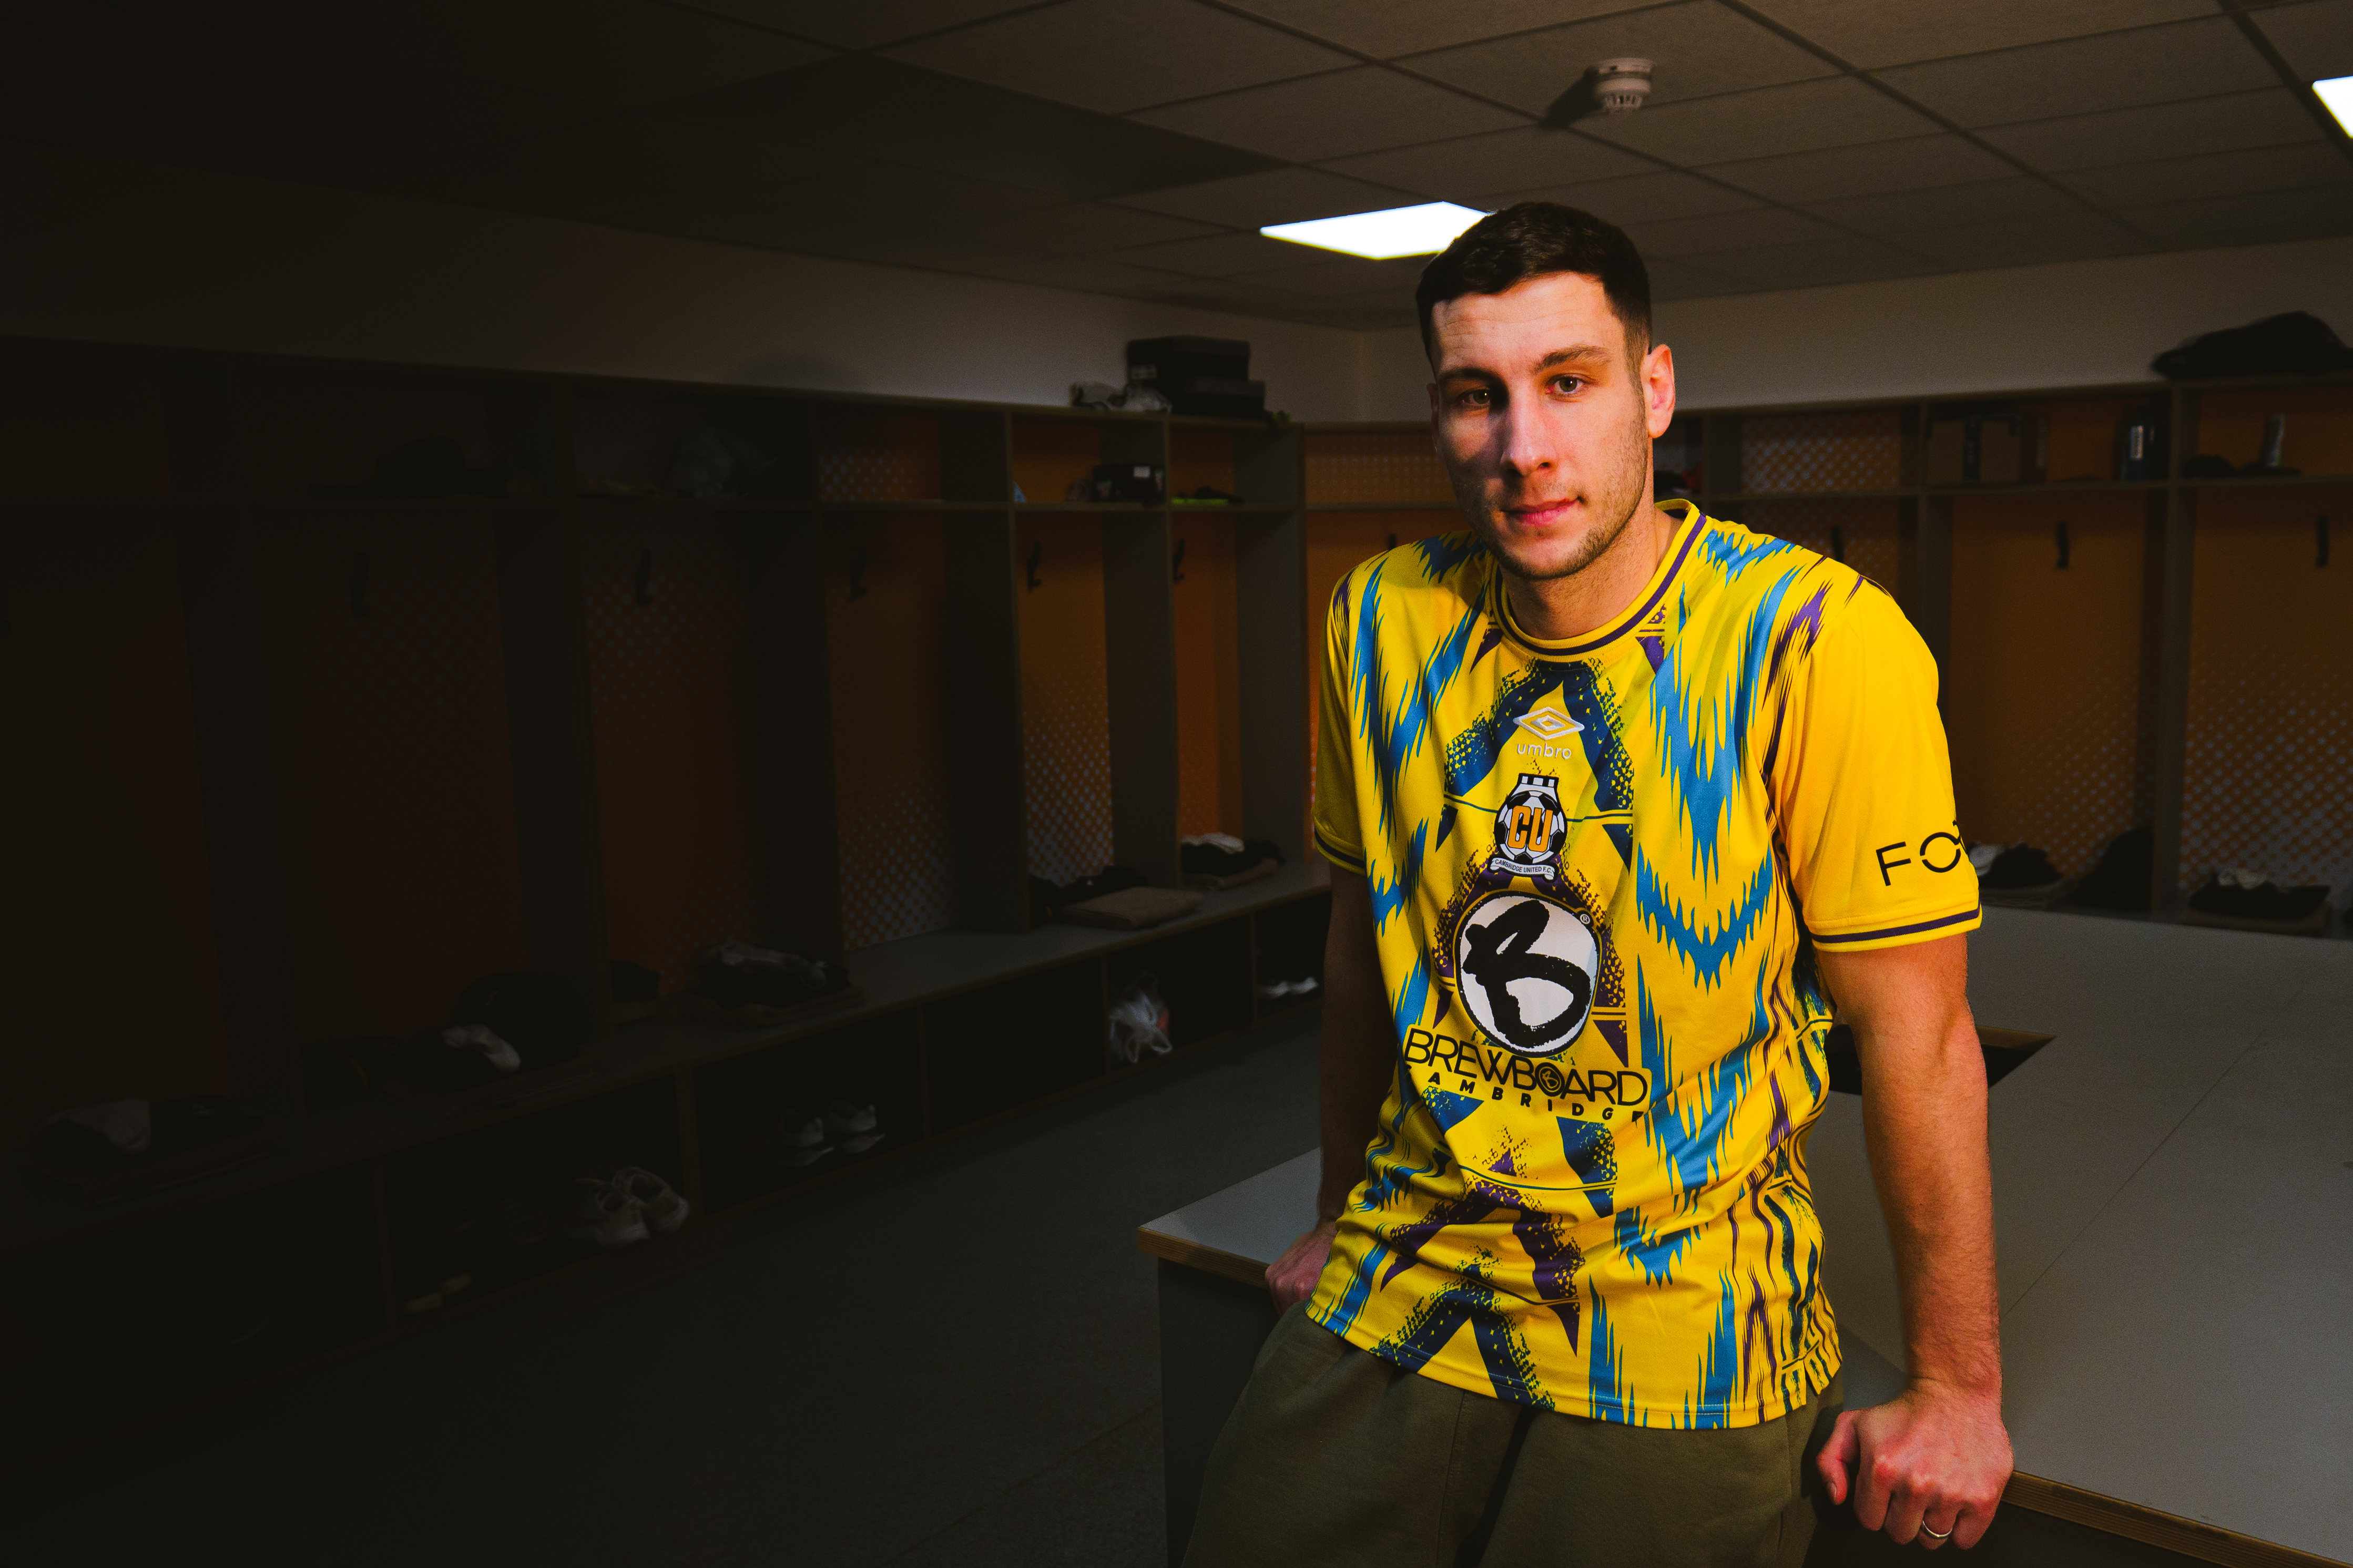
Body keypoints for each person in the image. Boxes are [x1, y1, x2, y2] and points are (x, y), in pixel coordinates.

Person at [1182, 203, 2012, 1566]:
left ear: (1651, 388)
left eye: (1565, 382)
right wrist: (1336, 1206)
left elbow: (1914, 1034)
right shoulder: (1377, 620)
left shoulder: (1811, 640)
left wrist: (1955, 1386)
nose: (1522, 448)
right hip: (1409, 1266)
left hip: (1682, 1312)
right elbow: (1357, 957)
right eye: (1473, 398)